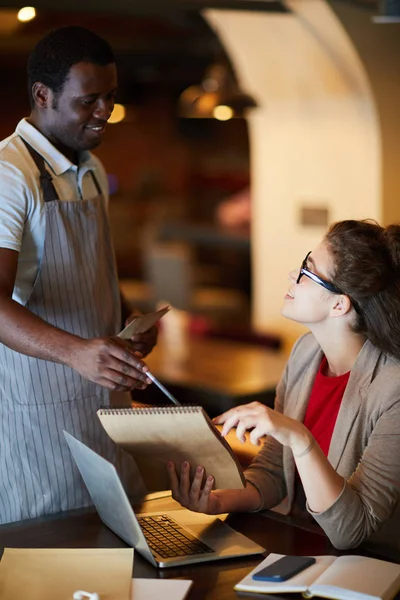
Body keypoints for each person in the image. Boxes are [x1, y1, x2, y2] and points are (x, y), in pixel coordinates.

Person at [0, 26, 156, 524]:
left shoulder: (91, 170)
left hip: (108, 406)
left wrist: (128, 314)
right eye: (89, 100)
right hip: (41, 416)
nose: (105, 112)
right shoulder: (10, 174)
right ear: (42, 95)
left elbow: (93, 270)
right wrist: (75, 351)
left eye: (110, 98)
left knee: (122, 540)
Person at [168, 219, 400, 551]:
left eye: (308, 271)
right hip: (302, 547)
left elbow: (352, 530)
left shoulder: (393, 387)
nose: (294, 276)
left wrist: (298, 435)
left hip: (370, 568)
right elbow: (276, 471)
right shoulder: (306, 352)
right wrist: (219, 503)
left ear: (339, 305)